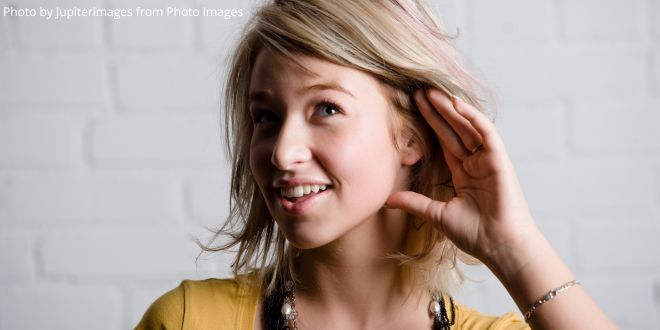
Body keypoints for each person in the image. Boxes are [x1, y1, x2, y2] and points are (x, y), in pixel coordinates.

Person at [136, 0, 617, 329]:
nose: (282, 153)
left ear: (411, 135)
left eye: (326, 109)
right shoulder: (189, 320)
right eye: (266, 116)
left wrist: (515, 246)